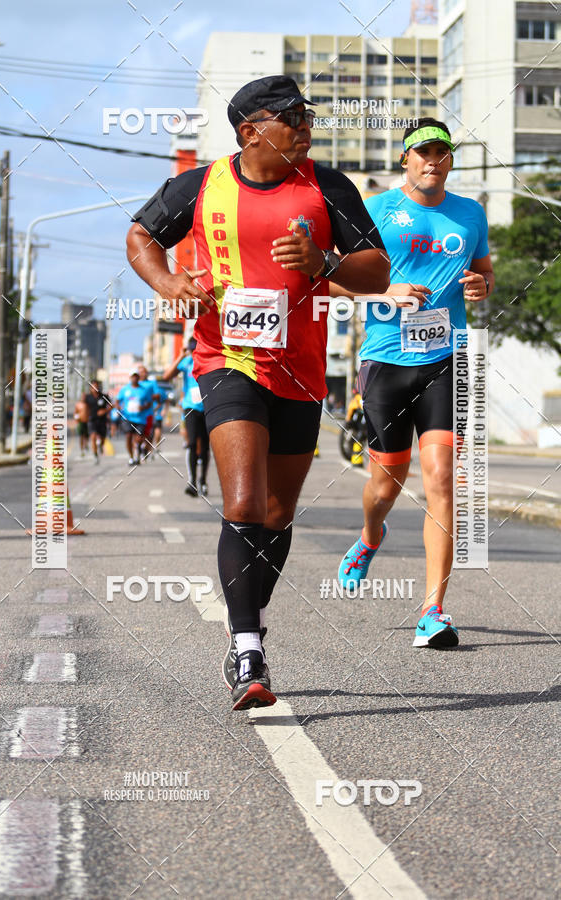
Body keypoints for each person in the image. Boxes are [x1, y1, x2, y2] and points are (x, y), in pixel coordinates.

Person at [127, 74, 389, 711]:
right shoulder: (201, 185)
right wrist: (168, 283)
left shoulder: (329, 188)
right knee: (244, 502)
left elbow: (378, 272)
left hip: (299, 370)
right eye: (292, 118)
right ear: (251, 130)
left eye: (308, 117)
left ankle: (246, 615)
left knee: (276, 515)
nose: (306, 128)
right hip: (227, 360)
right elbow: (140, 236)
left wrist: (325, 262)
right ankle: (248, 649)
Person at [336, 117, 494, 649]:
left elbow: (485, 273)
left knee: (443, 479)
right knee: (386, 485)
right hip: (386, 360)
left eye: (442, 153)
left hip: (447, 358)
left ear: (450, 160)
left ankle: (433, 610)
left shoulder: (471, 213)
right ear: (405, 159)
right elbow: (332, 279)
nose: (433, 161)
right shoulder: (375, 209)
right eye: (423, 153)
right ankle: (370, 535)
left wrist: (481, 285)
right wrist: (385, 291)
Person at [162, 338, 210, 497]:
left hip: (208, 407)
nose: (194, 352)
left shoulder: (208, 360)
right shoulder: (187, 362)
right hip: (191, 407)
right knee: (192, 443)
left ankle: (203, 480)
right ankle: (192, 482)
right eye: (192, 349)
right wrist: (180, 356)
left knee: (205, 446)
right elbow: (167, 376)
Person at [116, 369, 153, 466]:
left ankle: (138, 452)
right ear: (130, 378)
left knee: (139, 439)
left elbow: (149, 403)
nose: (135, 378)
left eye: (136, 376)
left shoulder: (144, 390)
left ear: (138, 378)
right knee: (128, 436)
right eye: (133, 376)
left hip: (140, 418)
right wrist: (119, 408)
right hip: (127, 418)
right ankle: (131, 457)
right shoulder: (125, 389)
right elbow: (117, 401)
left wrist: (143, 407)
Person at [85, 379, 111, 464]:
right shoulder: (87, 397)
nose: (95, 388)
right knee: (93, 437)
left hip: (102, 420)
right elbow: (84, 407)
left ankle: (100, 446)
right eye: (93, 386)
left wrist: (105, 411)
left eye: (97, 386)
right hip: (92, 420)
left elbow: (111, 406)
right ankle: (95, 455)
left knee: (103, 439)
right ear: (90, 388)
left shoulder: (104, 396)